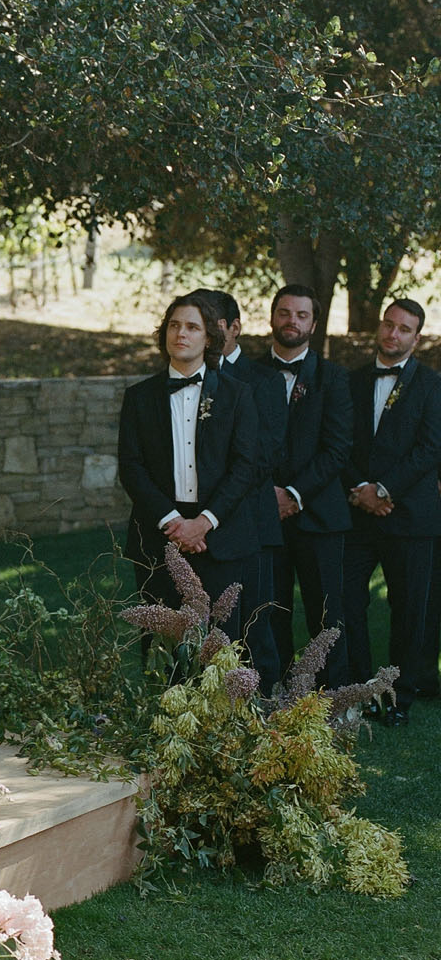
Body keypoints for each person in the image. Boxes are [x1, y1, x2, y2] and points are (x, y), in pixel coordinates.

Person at [117, 295, 260, 644]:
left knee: (220, 646)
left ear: (209, 338)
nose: (181, 333)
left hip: (218, 535)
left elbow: (246, 466)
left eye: (192, 327)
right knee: (163, 647)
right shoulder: (139, 397)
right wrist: (173, 522)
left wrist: (204, 522)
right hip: (160, 532)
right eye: (174, 325)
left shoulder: (236, 394)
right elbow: (131, 467)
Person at [341, 297, 441, 722]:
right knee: (347, 602)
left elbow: (430, 448)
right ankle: (361, 687)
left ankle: (400, 693)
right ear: (380, 327)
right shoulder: (352, 380)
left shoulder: (433, 385)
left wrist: (384, 489)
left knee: (407, 608)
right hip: (356, 513)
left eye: (403, 329)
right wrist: (359, 490)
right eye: (388, 325)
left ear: (416, 339)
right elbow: (339, 440)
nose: (393, 334)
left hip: (410, 516)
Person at [192, 289, 286, 690]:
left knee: (253, 624)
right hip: (190, 525)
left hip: (247, 519)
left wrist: (213, 506)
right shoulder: (183, 376)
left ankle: (264, 707)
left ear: (234, 328)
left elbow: (264, 457)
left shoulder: (264, 381)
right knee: (195, 620)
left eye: (213, 325)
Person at [264, 284, 353, 686]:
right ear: (272, 317)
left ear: (314, 324)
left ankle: (331, 698)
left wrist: (294, 495)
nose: (292, 322)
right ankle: (275, 691)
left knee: (327, 613)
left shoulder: (334, 378)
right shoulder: (247, 376)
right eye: (285, 313)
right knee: (268, 608)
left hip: (319, 515)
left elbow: (337, 450)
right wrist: (269, 495)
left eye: (301, 316)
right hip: (264, 515)